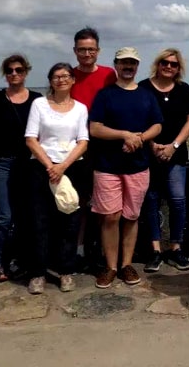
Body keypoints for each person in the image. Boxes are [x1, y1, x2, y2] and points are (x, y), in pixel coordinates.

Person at [89, 47, 163, 288]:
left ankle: (126, 265)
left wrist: (138, 139)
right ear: (116, 65)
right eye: (123, 63)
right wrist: (124, 135)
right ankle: (110, 266)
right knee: (111, 217)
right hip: (107, 166)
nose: (128, 67)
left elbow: (157, 126)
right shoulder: (105, 95)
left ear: (137, 66)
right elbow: (95, 128)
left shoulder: (146, 95)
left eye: (132, 63)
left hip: (138, 166)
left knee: (131, 217)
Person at [23, 63, 89, 294]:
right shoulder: (39, 104)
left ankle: (66, 271)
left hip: (71, 169)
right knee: (39, 222)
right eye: (56, 76)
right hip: (41, 167)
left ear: (73, 80)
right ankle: (38, 273)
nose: (61, 80)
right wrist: (51, 166)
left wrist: (63, 166)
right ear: (50, 80)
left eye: (66, 76)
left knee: (69, 222)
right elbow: (31, 138)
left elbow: (83, 141)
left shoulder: (80, 108)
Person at [0, 54, 42, 282]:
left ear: (25, 72)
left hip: (28, 163)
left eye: (18, 70)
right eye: (10, 71)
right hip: (1, 163)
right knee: (4, 216)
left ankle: (19, 259)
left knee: (26, 215)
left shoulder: (37, 100)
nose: (14, 74)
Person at [140, 49, 189, 273]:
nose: (168, 67)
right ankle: (155, 250)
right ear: (158, 64)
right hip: (150, 153)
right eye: (165, 62)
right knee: (151, 200)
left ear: (178, 68)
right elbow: (138, 118)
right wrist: (152, 144)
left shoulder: (183, 89)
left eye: (173, 64)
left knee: (178, 200)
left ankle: (175, 247)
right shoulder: (144, 87)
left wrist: (174, 145)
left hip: (176, 154)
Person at [69, 26, 117, 269]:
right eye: (82, 49)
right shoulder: (68, 75)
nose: (86, 53)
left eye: (91, 49)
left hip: (105, 147)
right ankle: (76, 250)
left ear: (98, 51)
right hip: (77, 148)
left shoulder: (110, 74)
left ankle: (97, 249)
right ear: (75, 51)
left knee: (103, 202)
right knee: (78, 200)